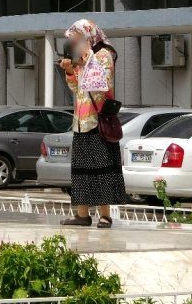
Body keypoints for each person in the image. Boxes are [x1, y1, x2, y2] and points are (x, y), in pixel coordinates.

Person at [58, 19, 128, 229]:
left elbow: (100, 85)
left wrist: (83, 59)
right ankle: (82, 214)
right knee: (81, 169)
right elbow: (77, 87)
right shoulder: (83, 58)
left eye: (78, 39)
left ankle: (105, 215)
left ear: (89, 37)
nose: (76, 43)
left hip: (98, 121)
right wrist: (70, 70)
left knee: (101, 169)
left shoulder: (104, 55)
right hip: (80, 120)